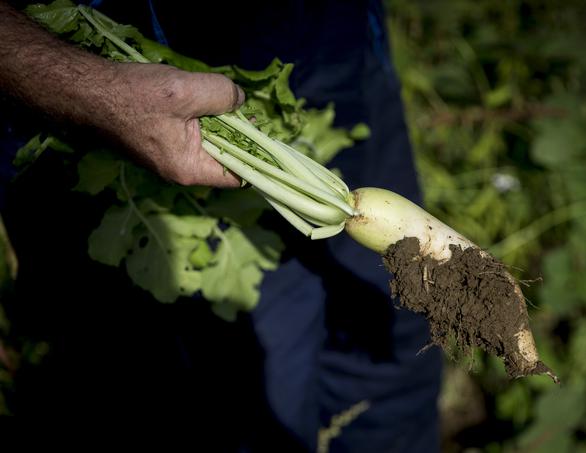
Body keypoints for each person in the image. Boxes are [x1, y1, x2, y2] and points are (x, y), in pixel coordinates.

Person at [0, 1, 442, 451]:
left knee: (397, 347)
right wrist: (86, 88)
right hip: (92, 109)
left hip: (323, 37)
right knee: (254, 402)